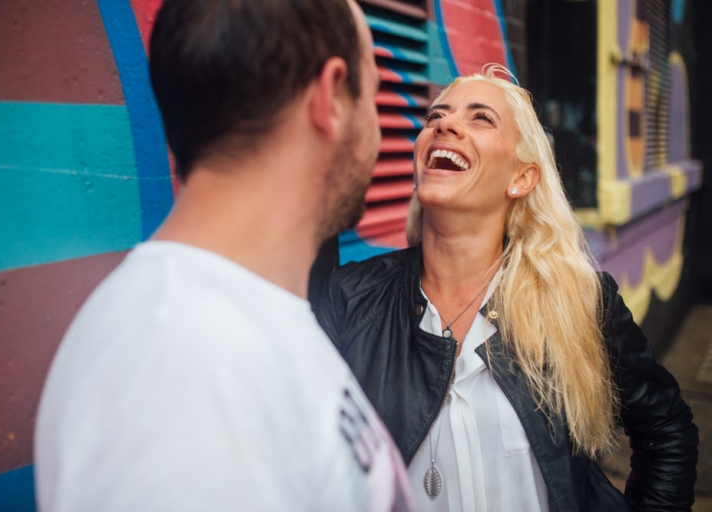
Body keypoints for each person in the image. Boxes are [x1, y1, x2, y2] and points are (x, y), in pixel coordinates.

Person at [34, 0, 414, 510]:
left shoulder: (214, 331)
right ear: (331, 98)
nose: (379, 127)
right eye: (375, 91)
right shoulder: (183, 365)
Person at [316, 65, 699, 512]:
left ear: (521, 178)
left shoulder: (580, 299)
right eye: (434, 117)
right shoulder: (349, 299)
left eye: (481, 118)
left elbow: (667, 429)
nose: (443, 124)